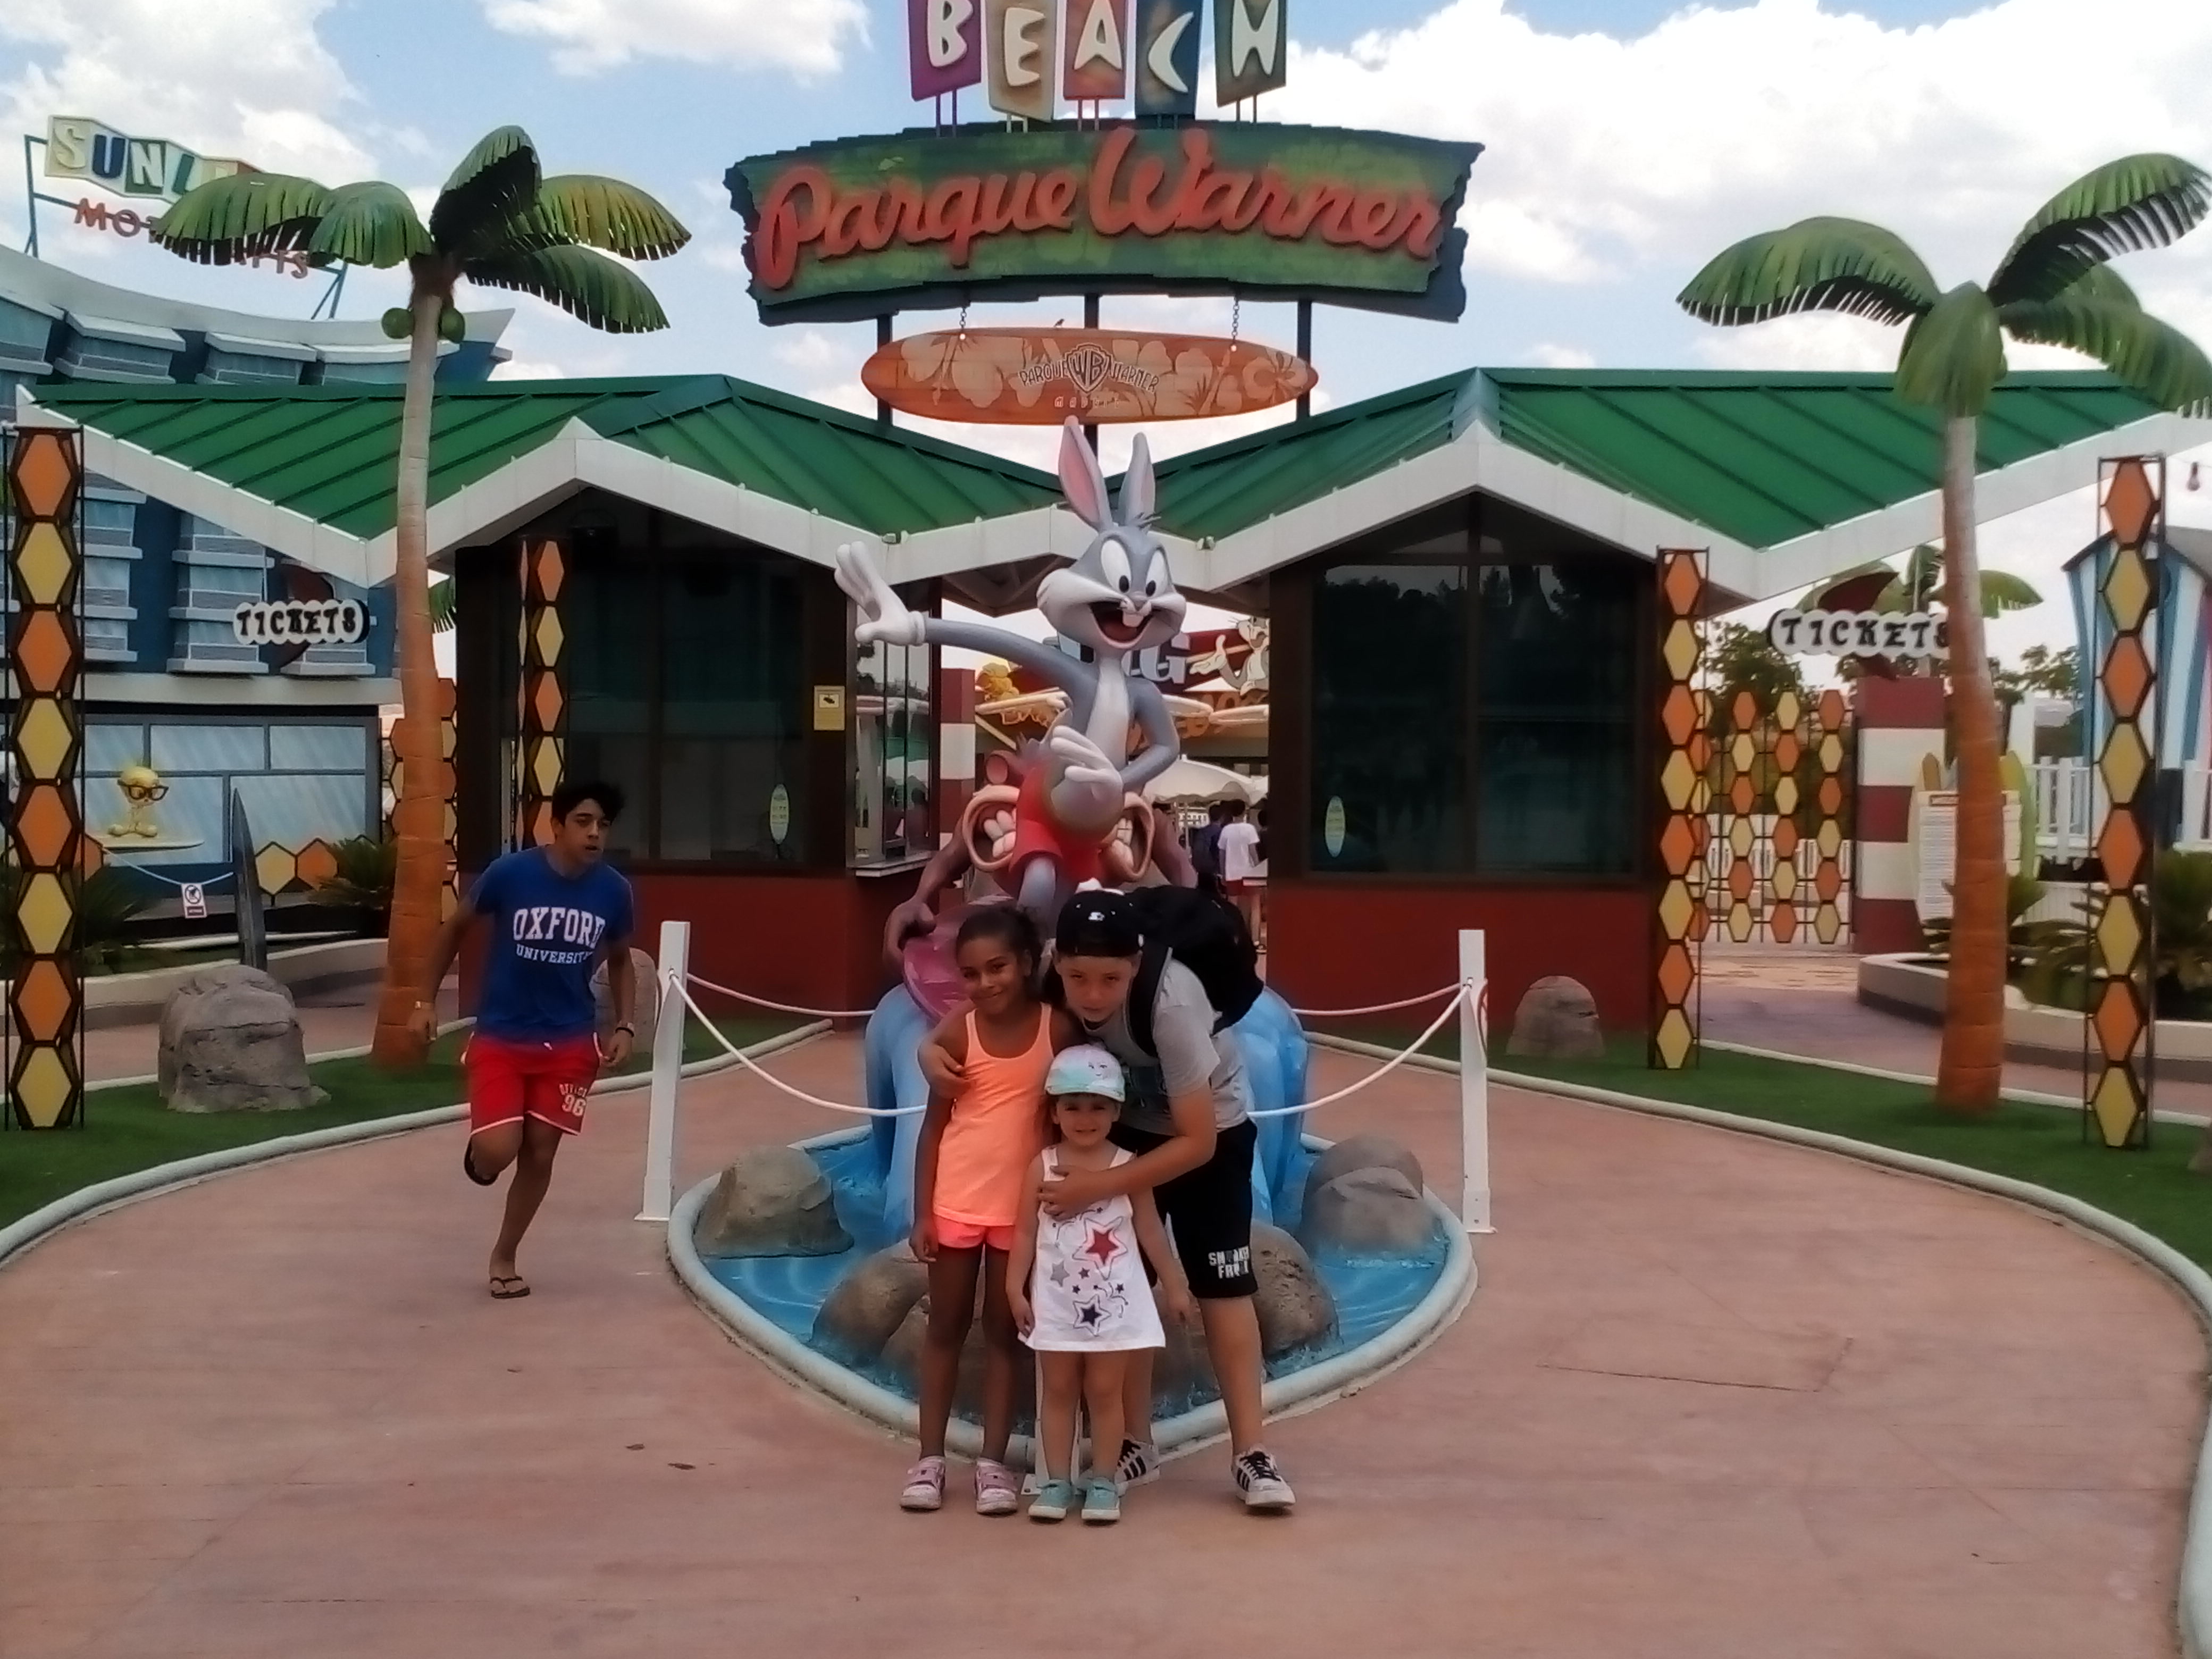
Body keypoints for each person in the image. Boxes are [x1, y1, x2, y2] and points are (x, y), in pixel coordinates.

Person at [930, 890, 1295, 1511]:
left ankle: (1251, 1452)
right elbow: (978, 1011)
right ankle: (1134, 1443)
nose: (1092, 995)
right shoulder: (1051, 971)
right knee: (1120, 1280)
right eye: (1077, 978)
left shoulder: (1171, 1004)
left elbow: (1198, 1142)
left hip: (1209, 1132)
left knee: (1222, 1284)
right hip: (1124, 1126)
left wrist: (1097, 1186)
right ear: (1058, 963)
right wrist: (926, 1051)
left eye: (1109, 980)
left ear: (1136, 963)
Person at [408, 780, 636, 1300]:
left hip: (570, 1042)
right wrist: (424, 1002)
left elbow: (621, 960)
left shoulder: (614, 891)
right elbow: (454, 929)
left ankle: (505, 1256)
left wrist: (624, 1025)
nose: (594, 834)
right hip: (503, 1036)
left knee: (540, 1152)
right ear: (556, 826)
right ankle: (482, 1156)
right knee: (499, 1151)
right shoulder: (510, 875)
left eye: (602, 825)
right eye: (583, 822)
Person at [902, 906, 1075, 1516]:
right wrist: (922, 1213)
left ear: (1026, 963)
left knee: (1005, 1335)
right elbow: (932, 1130)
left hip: (1020, 1216)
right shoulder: (958, 1035)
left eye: (997, 967)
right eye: (971, 974)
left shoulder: (1058, 1031)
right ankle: (928, 1459)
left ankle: (993, 1463)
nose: (985, 983)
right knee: (945, 1328)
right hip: (955, 1203)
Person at [1008, 1044, 1192, 1524]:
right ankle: (1056, 1482)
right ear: (1055, 1112)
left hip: (1114, 1309)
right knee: (1059, 1391)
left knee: (1106, 1392)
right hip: (1057, 1305)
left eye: (1097, 1106)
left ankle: (1105, 1481)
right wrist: (1014, 1288)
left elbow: (1151, 1230)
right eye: (1072, 1106)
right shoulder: (1042, 1165)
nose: (1085, 1118)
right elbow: (1024, 1231)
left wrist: (1175, 1285)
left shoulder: (1129, 1167)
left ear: (1115, 1111)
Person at [1217, 800, 1263, 945]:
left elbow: (1222, 855)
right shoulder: (1250, 829)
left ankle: (1236, 939)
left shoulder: (1226, 830)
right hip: (1249, 872)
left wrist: (1223, 874)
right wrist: (1258, 870)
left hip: (1232, 873)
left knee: (1233, 908)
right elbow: (1253, 852)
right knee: (1255, 906)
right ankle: (1255, 940)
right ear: (1244, 812)